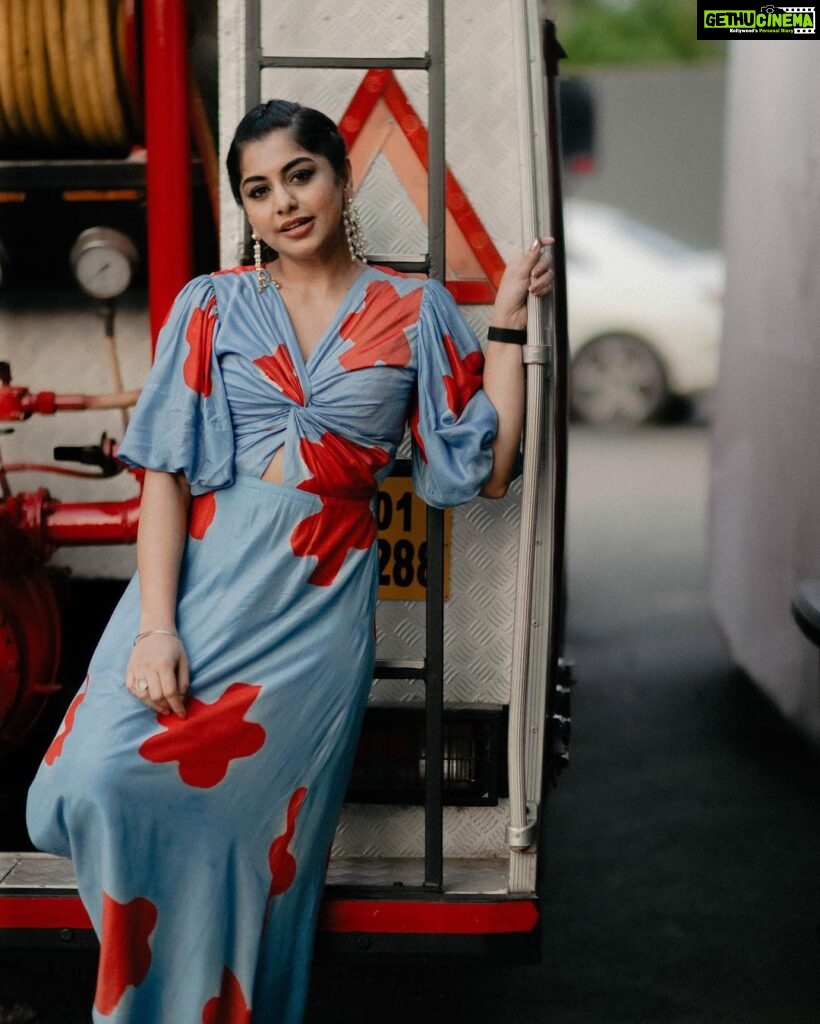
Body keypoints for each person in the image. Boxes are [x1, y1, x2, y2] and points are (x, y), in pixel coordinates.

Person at [26, 99, 554, 1023]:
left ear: (342, 177)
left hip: (309, 630)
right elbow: (165, 478)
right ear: (246, 208)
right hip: (197, 592)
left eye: (299, 175)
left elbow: (484, 468)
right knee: (89, 782)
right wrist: (156, 627)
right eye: (258, 189)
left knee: (246, 850)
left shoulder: (413, 309)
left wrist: (506, 325)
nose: (284, 203)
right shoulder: (211, 303)